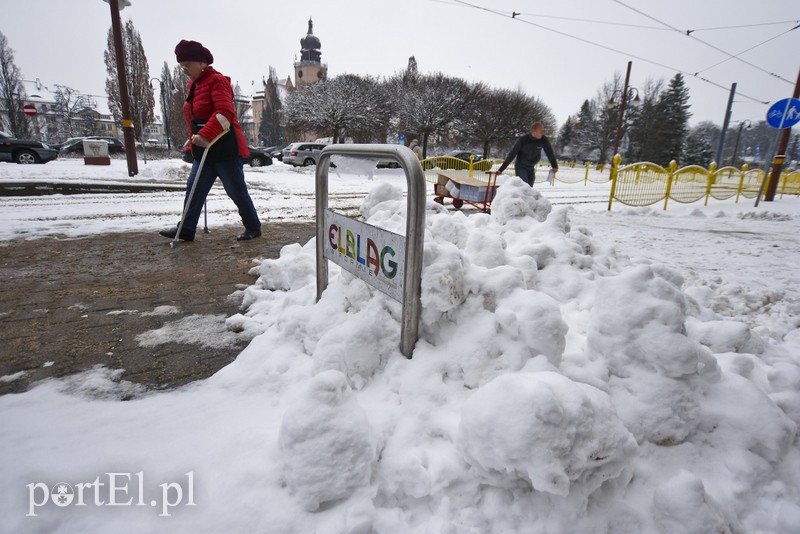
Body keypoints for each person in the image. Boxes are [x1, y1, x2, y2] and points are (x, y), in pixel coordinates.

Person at [159, 40, 261, 242]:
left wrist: (205, 135)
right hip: (204, 150)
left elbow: (225, 113)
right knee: (194, 188)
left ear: (201, 63)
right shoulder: (193, 86)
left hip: (223, 149)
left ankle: (253, 227)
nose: (184, 70)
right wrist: (194, 141)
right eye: (182, 66)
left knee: (236, 191)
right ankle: (186, 229)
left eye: (187, 65)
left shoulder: (217, 81)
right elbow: (194, 118)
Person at [497, 122, 558, 186]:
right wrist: (501, 169)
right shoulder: (523, 140)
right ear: (534, 132)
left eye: (543, 131)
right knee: (524, 186)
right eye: (541, 131)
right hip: (521, 166)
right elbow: (512, 154)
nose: (543, 133)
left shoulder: (543, 140)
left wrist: (554, 166)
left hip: (531, 167)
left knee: (529, 188)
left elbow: (550, 153)